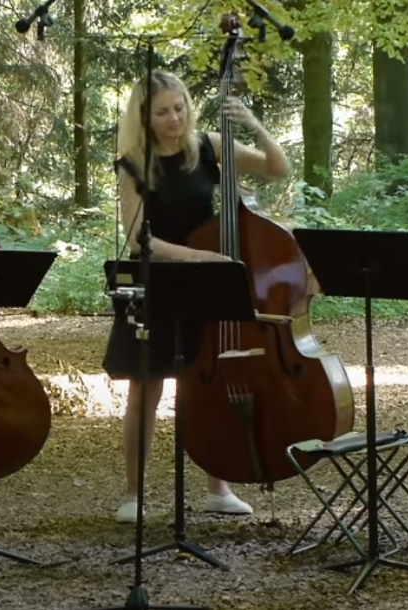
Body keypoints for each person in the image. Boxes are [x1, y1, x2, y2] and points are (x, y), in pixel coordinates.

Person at [103, 71, 290, 523]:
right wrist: (199, 256)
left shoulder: (208, 146)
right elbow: (137, 239)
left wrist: (253, 124)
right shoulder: (133, 162)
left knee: (207, 381)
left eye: (179, 107)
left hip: (207, 282)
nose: (174, 118)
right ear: (144, 117)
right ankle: (134, 495)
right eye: (163, 111)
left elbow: (276, 166)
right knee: (145, 389)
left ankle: (218, 486)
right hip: (160, 282)